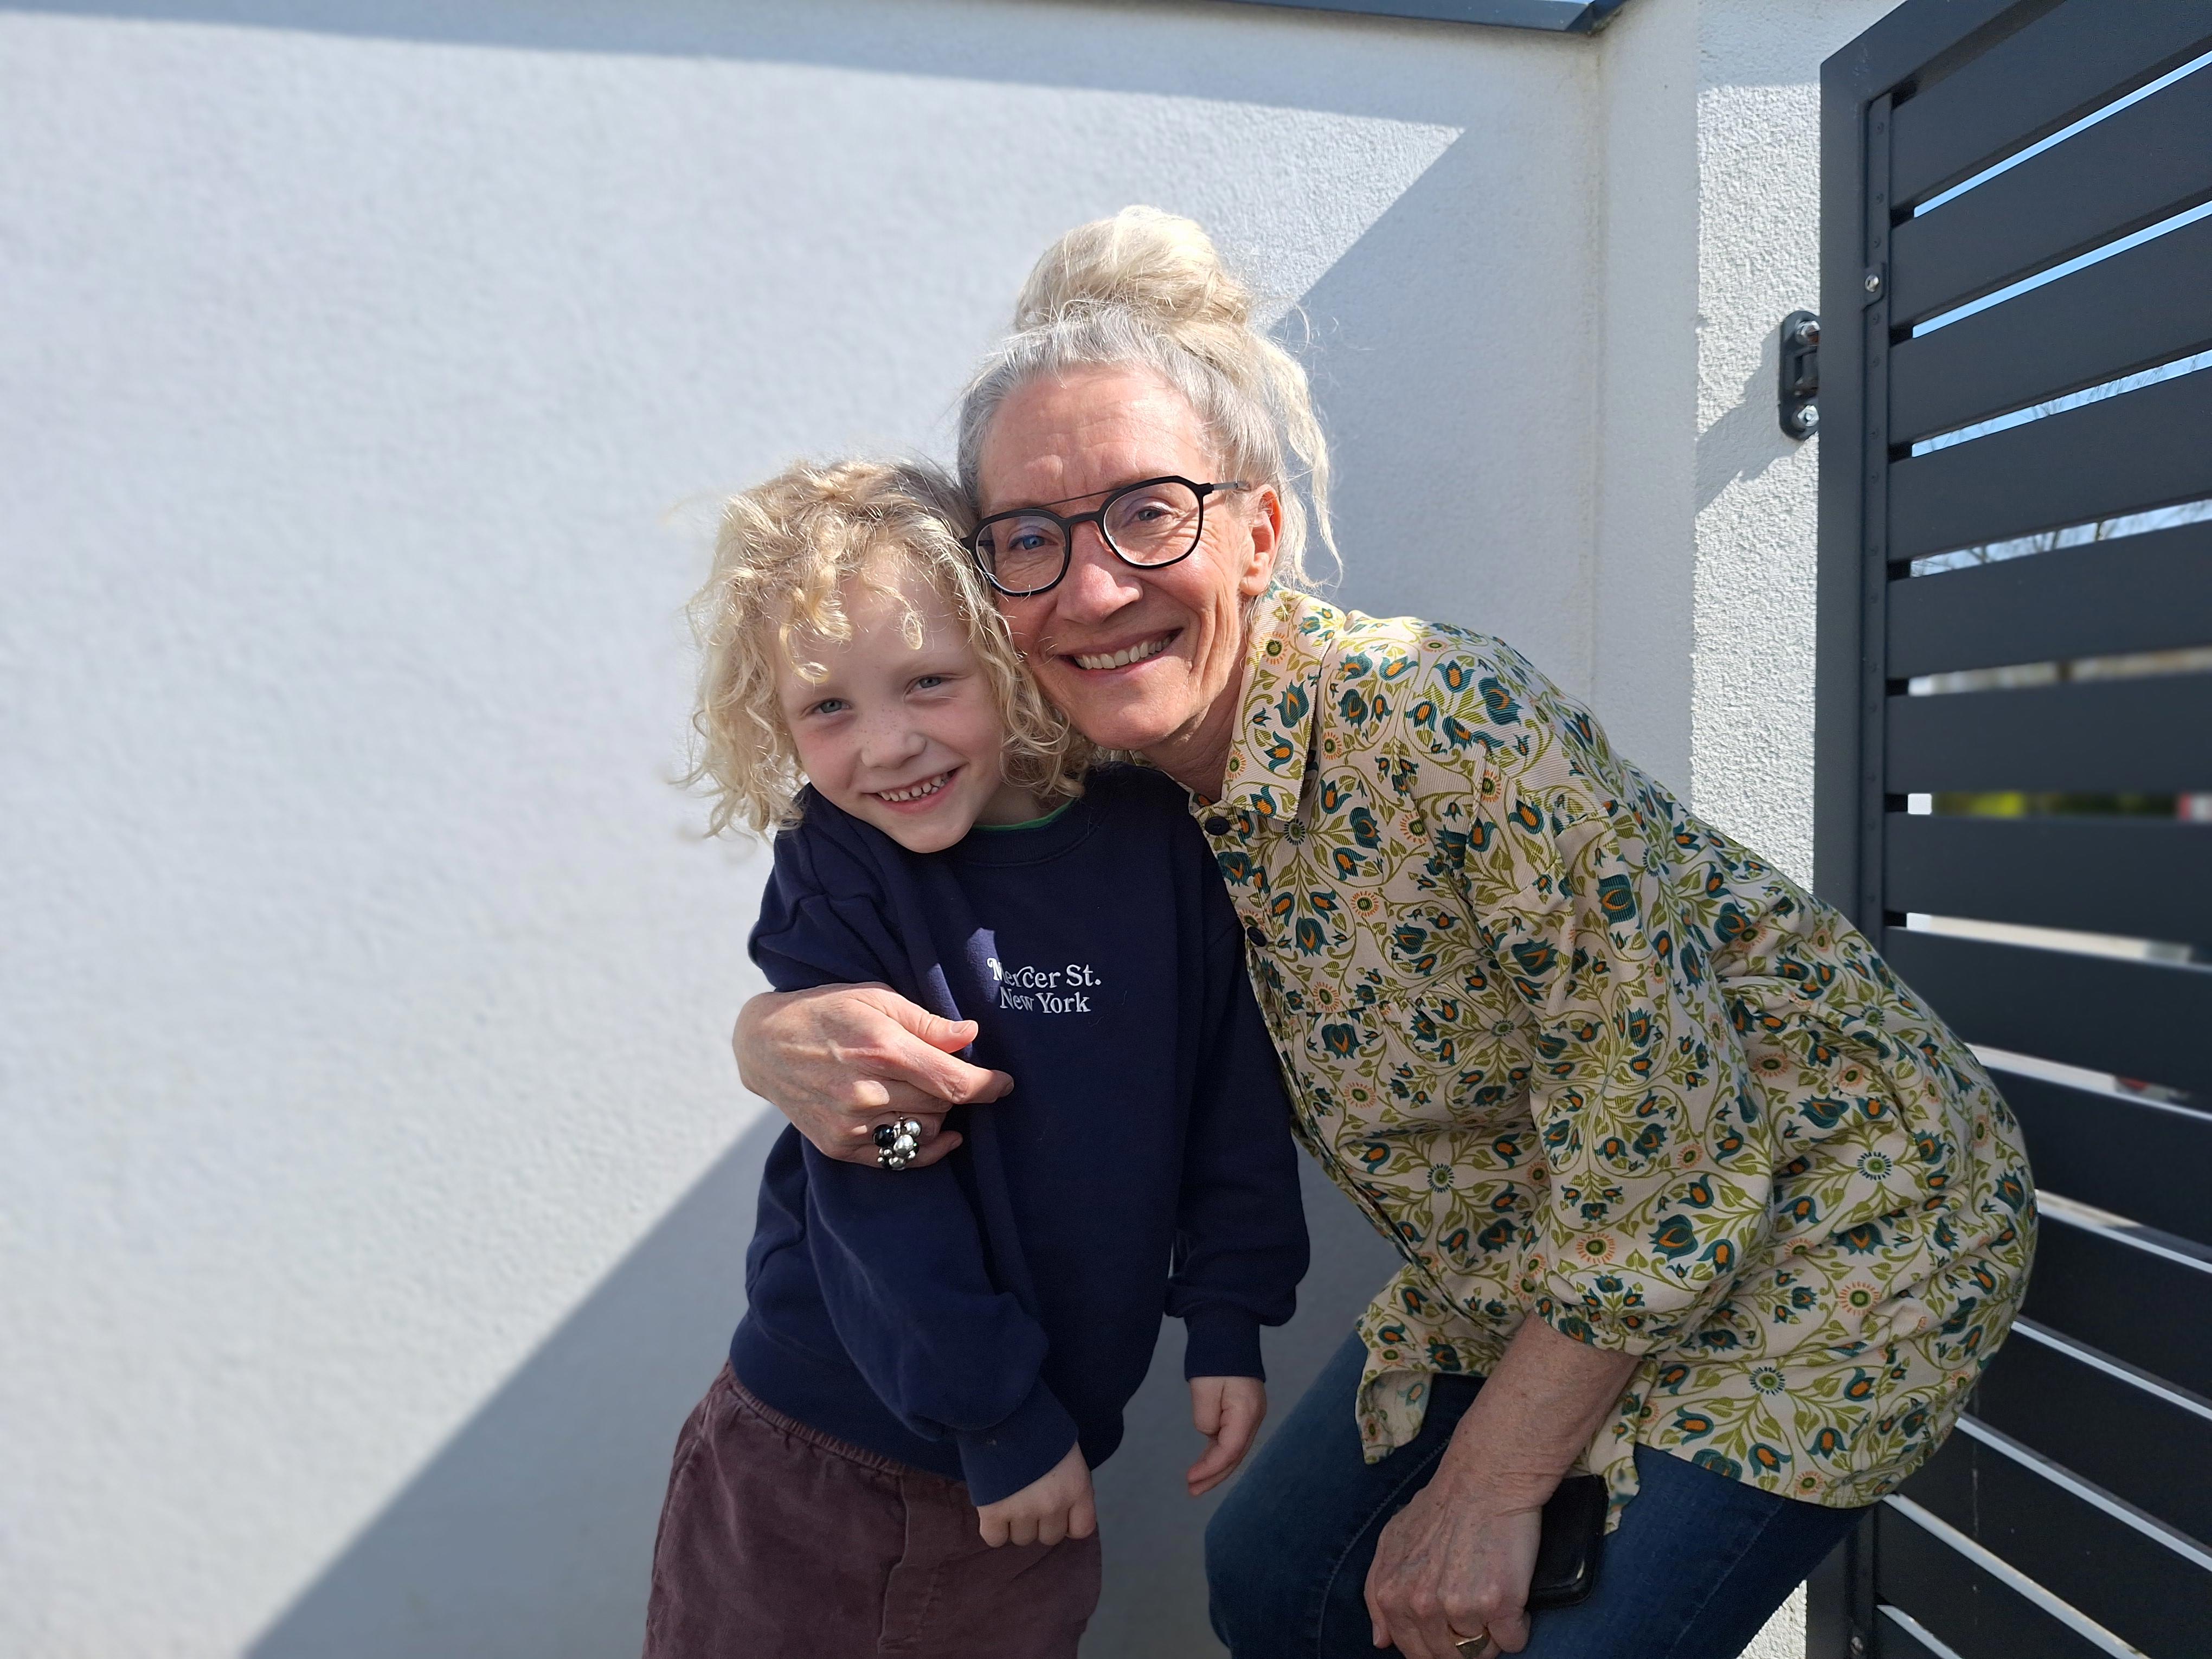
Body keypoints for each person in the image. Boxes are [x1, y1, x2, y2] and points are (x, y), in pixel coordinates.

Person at [731, 210, 2037, 1659]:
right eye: (1032, 539)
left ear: (1259, 534)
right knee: (1277, 1585)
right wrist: (770, 1031)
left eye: (1149, 512)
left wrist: (1489, 1487)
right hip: (1539, 1250)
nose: (1094, 588)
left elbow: (1672, 1146)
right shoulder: (1078, 774)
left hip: (1828, 1218)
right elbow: (866, 908)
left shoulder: (1444, 723)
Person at [644, 458, 1309, 1659]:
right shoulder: (838, 869)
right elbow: (883, 1164)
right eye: (827, 708)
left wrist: (1227, 1311)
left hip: (1035, 1447)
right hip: (839, 1451)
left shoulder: (1158, 843)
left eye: (928, 682)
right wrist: (996, 1411)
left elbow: (1228, 1094)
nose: (889, 744)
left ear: (1003, 651)